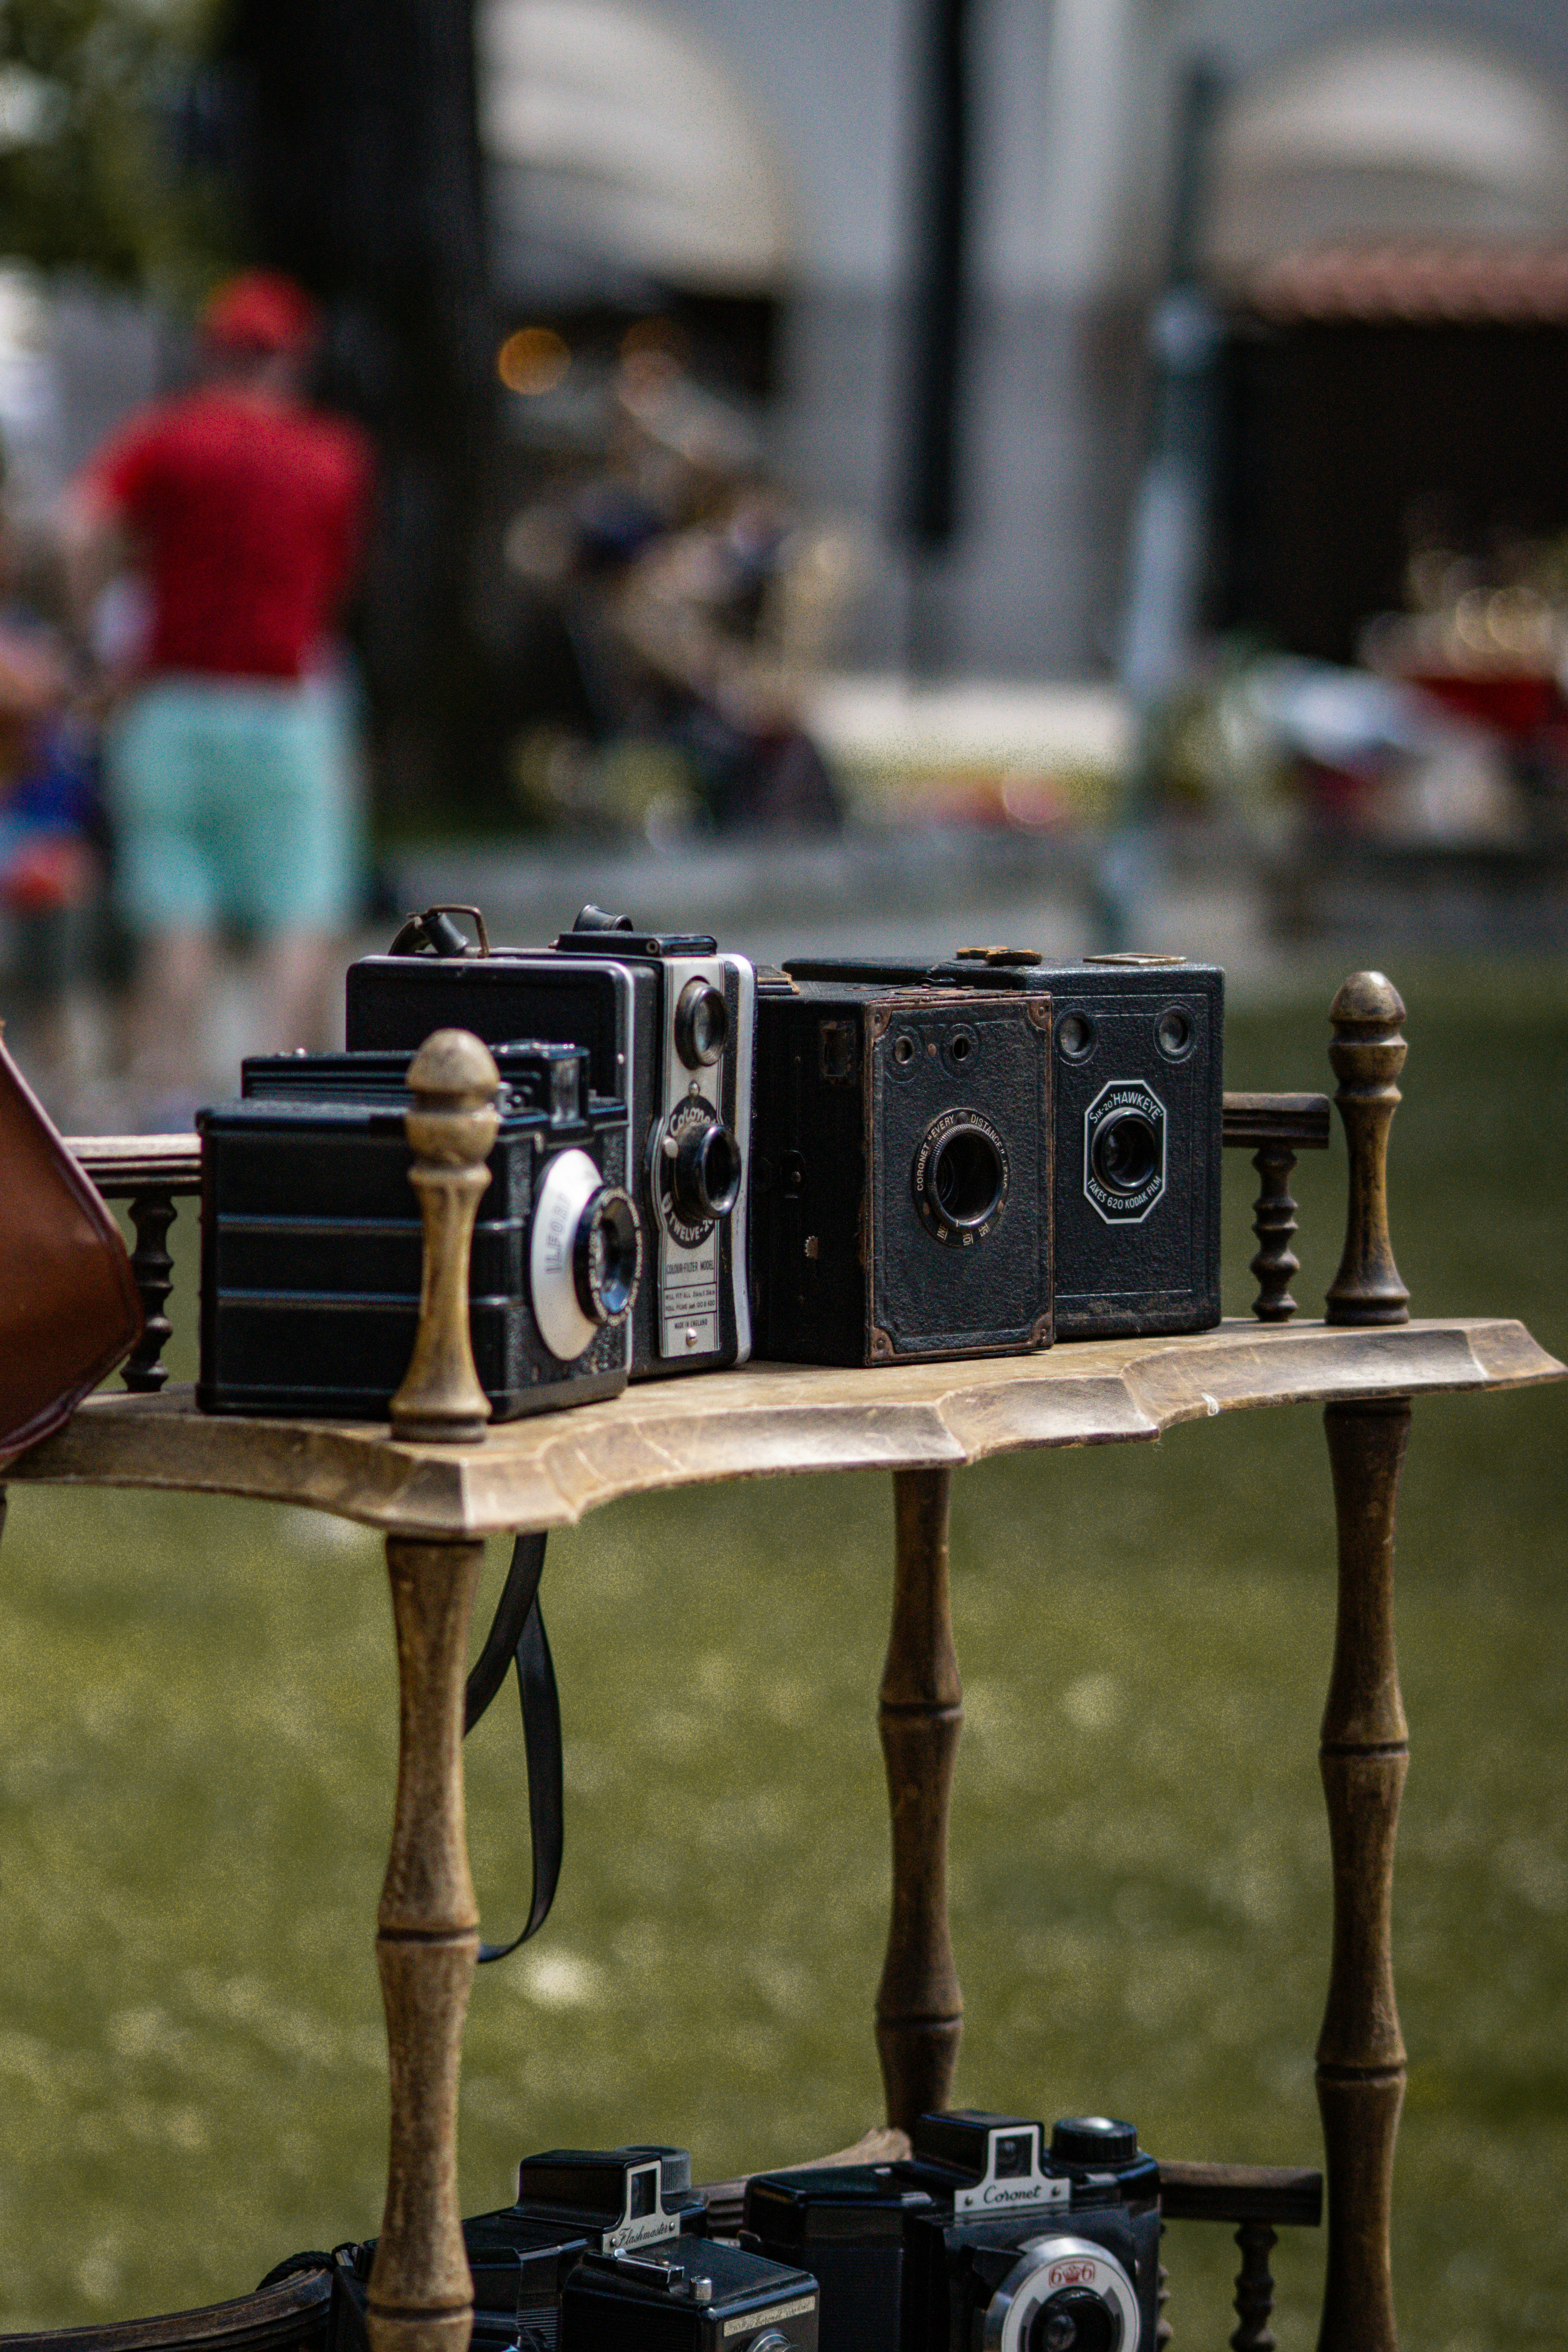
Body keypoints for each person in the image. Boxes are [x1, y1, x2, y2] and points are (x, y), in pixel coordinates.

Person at [67, 271, 372, 1118]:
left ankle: (168, 1098)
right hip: (281, 705)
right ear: (293, 363)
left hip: (170, 707)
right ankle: (274, 1098)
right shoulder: (330, 454)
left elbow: (81, 523)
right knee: (297, 911)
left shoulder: (170, 438)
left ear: (214, 355)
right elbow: (336, 587)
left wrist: (91, 641)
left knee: (177, 913)